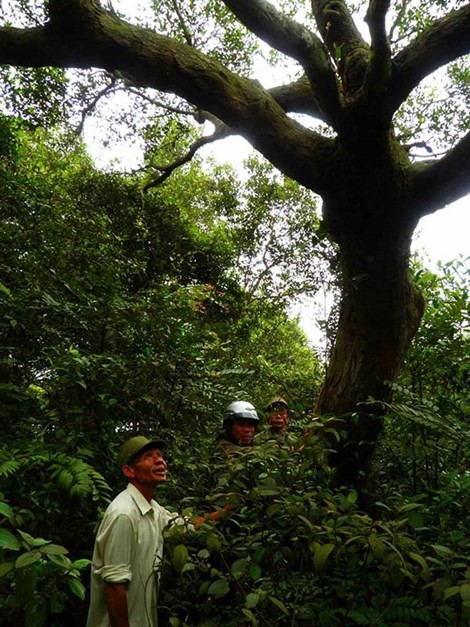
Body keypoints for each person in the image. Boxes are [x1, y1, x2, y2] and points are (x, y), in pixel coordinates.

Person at [87, 435, 226, 627]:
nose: (160, 460)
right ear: (129, 470)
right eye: (148, 456)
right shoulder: (124, 514)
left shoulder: (152, 509)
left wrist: (225, 511)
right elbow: (114, 587)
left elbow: (186, 526)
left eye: (160, 455)